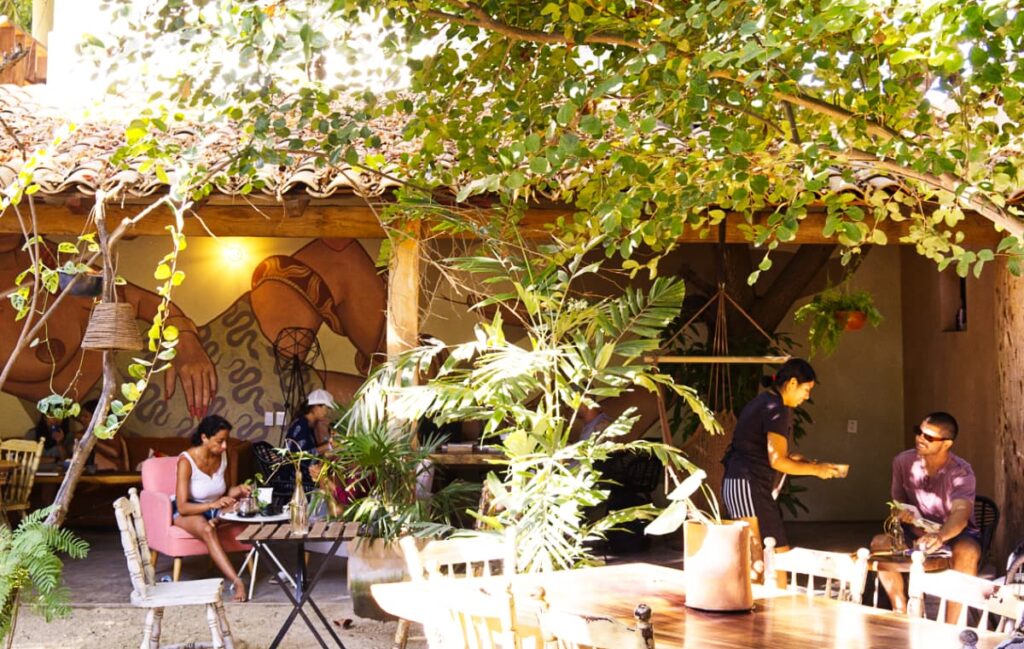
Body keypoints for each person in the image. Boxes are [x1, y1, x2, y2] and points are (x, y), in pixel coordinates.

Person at [721, 358, 846, 560]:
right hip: (747, 483)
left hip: (748, 484)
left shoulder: (768, 402)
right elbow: (777, 461)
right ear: (792, 383)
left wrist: (798, 461)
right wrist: (817, 470)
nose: (807, 396)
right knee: (762, 559)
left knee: (771, 557)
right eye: (807, 389)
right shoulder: (775, 408)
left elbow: (771, 453)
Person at [870, 412, 979, 621]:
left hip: (955, 534)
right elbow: (895, 503)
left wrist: (940, 537)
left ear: (947, 444)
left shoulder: (962, 472)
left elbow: (961, 513)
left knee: (967, 552)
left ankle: (951, 625)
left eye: (929, 437)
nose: (920, 438)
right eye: (919, 432)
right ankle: (902, 613)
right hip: (914, 532)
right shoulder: (903, 462)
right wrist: (900, 513)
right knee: (879, 543)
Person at [173, 415, 251, 602]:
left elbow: (226, 491)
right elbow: (183, 506)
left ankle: (217, 518)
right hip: (189, 511)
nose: (224, 446)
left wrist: (239, 490)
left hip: (215, 508)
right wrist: (211, 505)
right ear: (204, 438)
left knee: (242, 507)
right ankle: (237, 581)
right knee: (207, 529)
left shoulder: (223, 456)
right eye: (220, 441)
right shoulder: (186, 461)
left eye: (226, 441)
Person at [282, 389, 336, 484]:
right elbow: (300, 456)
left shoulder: (307, 424)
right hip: (294, 476)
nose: (326, 412)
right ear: (315, 407)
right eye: (326, 408)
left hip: (300, 472)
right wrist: (329, 446)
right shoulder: (302, 425)